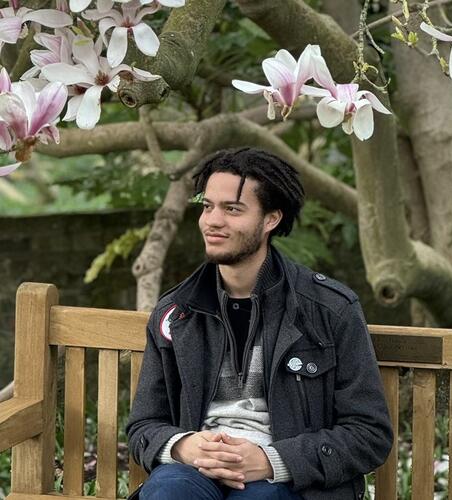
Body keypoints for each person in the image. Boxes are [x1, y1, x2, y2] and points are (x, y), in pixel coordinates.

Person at [127, 147, 393, 500]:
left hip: (290, 482)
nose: (212, 221)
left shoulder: (330, 309)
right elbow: (144, 425)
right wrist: (183, 446)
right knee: (168, 493)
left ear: (271, 219)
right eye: (207, 206)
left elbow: (368, 433)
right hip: (196, 473)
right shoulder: (177, 313)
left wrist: (272, 460)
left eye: (232, 209)